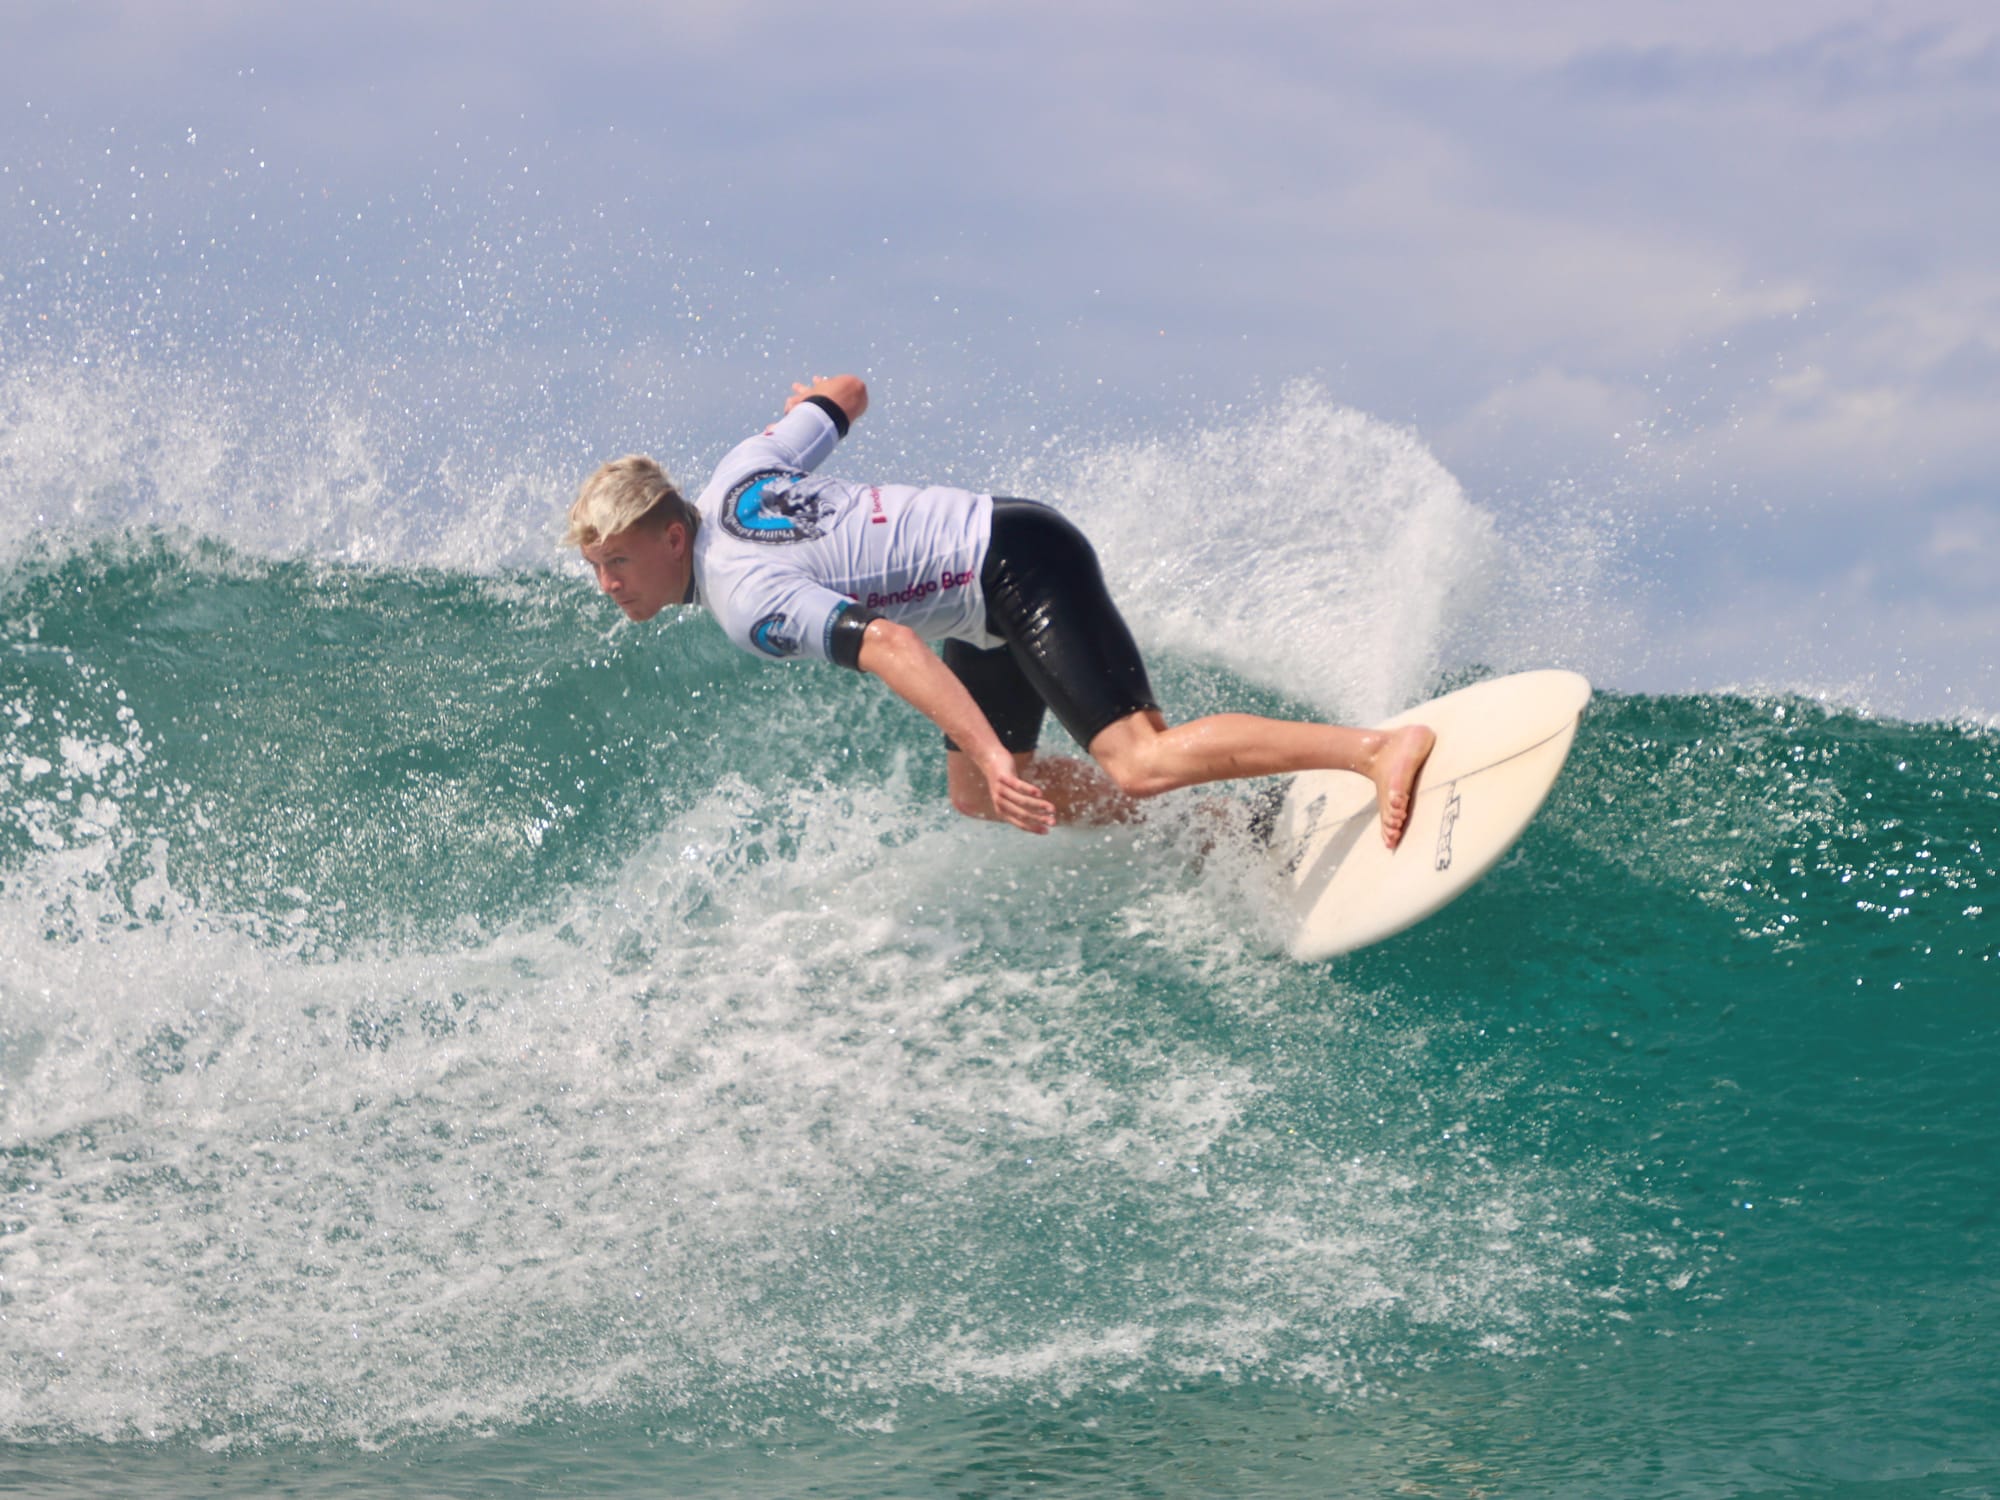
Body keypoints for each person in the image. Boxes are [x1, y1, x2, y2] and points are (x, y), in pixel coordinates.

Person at [566, 374, 1434, 843]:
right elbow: (849, 392)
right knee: (976, 798)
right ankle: (1214, 821)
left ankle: (1372, 749)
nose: (610, 585)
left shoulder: (744, 599)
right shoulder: (740, 471)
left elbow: (892, 646)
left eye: (618, 562)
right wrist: (805, 406)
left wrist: (996, 748)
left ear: (672, 538)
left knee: (1133, 758)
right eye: (597, 568)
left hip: (1015, 567)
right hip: (981, 584)